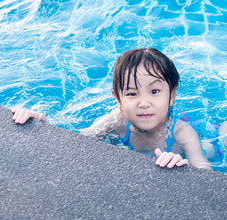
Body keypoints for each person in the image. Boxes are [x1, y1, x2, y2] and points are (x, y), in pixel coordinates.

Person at [12, 48, 212, 170]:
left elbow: (203, 169)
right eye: (132, 94)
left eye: (154, 92)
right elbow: (79, 139)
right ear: (118, 99)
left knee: (214, 148)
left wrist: (181, 165)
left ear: (172, 96)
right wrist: (41, 125)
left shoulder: (182, 133)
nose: (143, 103)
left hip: (196, 140)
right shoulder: (117, 120)